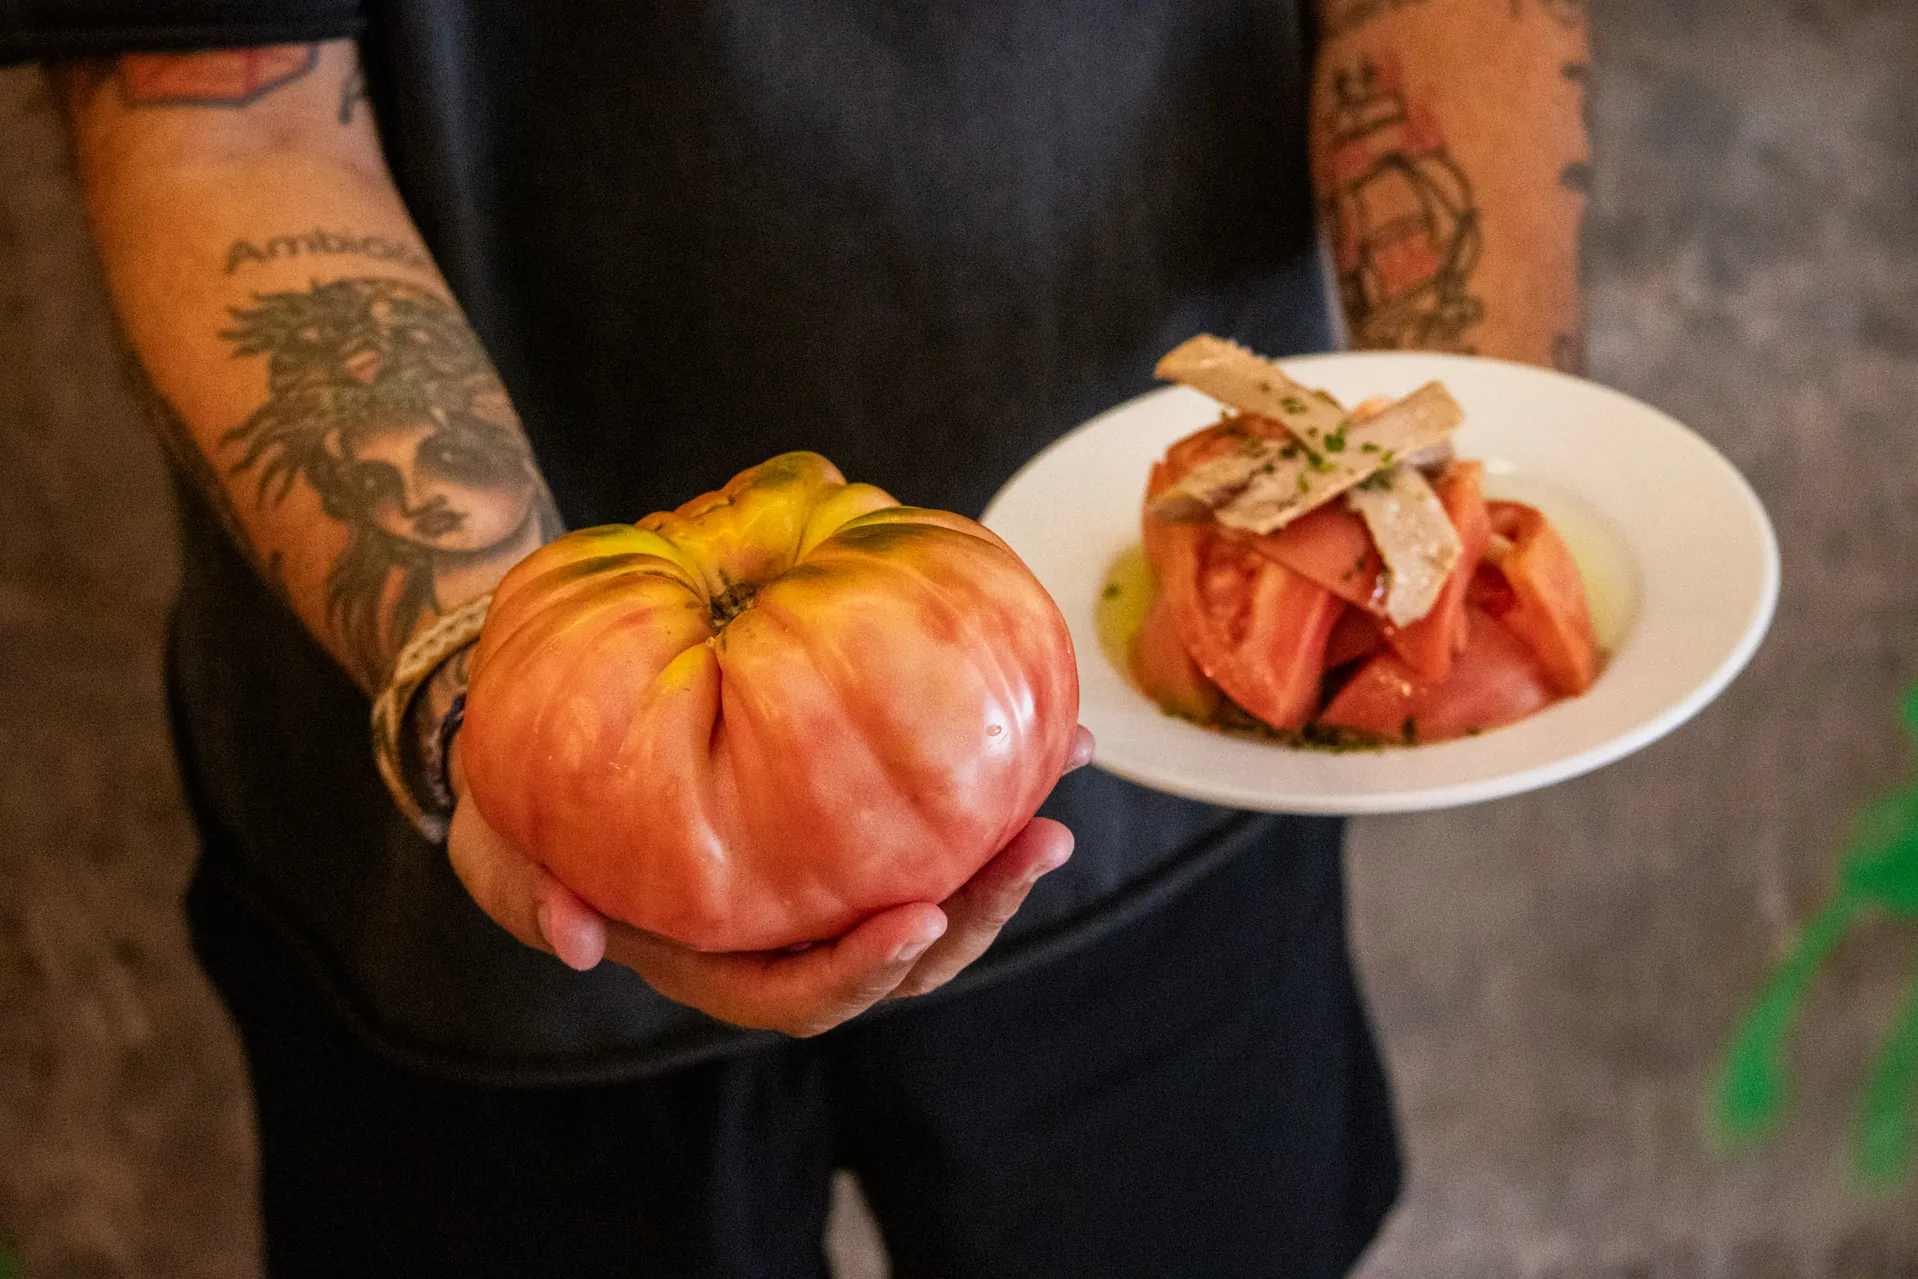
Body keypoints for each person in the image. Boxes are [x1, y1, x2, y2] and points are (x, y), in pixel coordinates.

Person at [7, 2, 1589, 1274]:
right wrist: (517, 701)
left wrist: (1453, 528)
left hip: (1152, 729)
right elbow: (217, 107)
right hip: (490, 836)